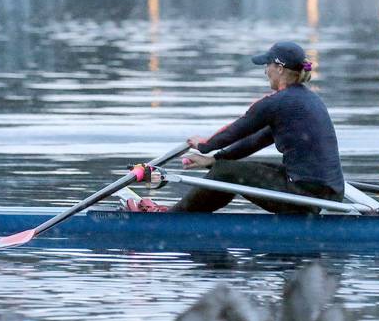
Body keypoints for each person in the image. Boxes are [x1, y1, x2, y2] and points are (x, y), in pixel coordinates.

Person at [128, 41, 344, 214]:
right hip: (325, 191)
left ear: (279, 68)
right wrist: (215, 158)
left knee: (226, 172)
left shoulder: (277, 102)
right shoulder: (307, 100)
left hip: (304, 195)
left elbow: (239, 128)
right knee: (227, 166)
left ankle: (173, 220)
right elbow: (258, 139)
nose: (265, 71)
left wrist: (205, 144)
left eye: (267, 66)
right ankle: (185, 216)